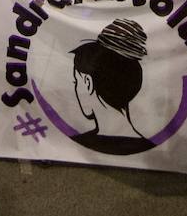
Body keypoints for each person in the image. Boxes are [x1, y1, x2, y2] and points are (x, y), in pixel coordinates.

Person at [66, 18, 153, 155]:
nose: (76, 87)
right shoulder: (153, 149)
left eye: (76, 81)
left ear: (88, 83)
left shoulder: (71, 146)